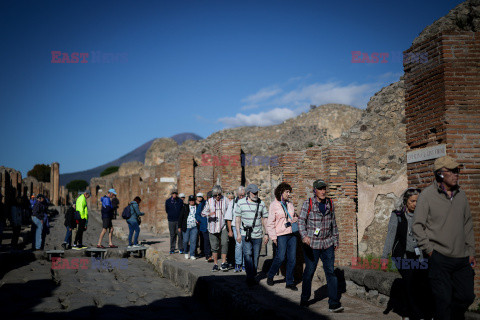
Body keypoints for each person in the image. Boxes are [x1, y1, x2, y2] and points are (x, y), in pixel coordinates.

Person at [412, 156, 475, 320]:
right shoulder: (427, 195)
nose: (457, 174)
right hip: (439, 257)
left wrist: (471, 251)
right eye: (453, 171)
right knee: (443, 301)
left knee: (467, 296)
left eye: (457, 171)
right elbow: (417, 225)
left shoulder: (461, 195)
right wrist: (430, 251)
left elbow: (467, 224)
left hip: (462, 258)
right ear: (440, 174)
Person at [382, 188, 432, 320]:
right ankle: (415, 314)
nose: (416, 204)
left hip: (419, 256)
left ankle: (414, 310)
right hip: (402, 256)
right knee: (409, 281)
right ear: (405, 201)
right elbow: (390, 237)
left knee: (422, 283)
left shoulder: (423, 215)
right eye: (412, 201)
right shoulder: (397, 216)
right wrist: (384, 257)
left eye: (418, 201)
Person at [298, 179, 343, 312]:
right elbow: (301, 221)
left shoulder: (330, 203)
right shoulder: (309, 203)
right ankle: (305, 298)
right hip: (312, 244)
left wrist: (336, 240)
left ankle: (334, 303)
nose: (323, 191)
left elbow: (333, 222)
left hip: (327, 243)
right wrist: (304, 236)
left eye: (324, 189)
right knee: (309, 272)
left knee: (330, 272)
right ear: (315, 190)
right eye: (320, 189)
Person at [235, 184, 269, 286]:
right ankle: (250, 277)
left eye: (257, 192)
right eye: (254, 193)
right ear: (248, 193)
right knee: (247, 254)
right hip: (245, 234)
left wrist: (266, 233)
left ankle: (252, 273)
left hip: (258, 235)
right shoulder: (240, 203)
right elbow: (237, 219)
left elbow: (265, 219)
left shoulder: (261, 203)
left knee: (256, 256)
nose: (256, 194)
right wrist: (238, 234)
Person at [266, 182, 298, 290]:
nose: (289, 194)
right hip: (281, 235)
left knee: (292, 259)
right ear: (281, 192)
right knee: (280, 257)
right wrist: (273, 237)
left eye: (289, 192)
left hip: (292, 234)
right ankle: (270, 276)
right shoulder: (274, 205)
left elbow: (291, 216)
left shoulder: (290, 204)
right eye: (287, 192)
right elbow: (270, 223)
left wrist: (294, 219)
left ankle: (289, 282)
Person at [202, 185, 230, 272]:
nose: (217, 196)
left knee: (225, 243)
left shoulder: (225, 200)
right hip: (212, 226)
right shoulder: (209, 201)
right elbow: (203, 213)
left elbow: (230, 209)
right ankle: (215, 264)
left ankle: (223, 263)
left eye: (219, 194)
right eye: (215, 195)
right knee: (214, 246)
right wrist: (209, 214)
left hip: (223, 226)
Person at [225, 186, 246, 272]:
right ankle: (238, 263)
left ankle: (245, 264)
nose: (241, 197)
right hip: (235, 226)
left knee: (246, 245)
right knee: (239, 244)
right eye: (240, 195)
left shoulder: (247, 202)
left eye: (243, 195)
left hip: (245, 227)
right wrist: (230, 230)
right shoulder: (233, 203)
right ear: (237, 194)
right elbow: (229, 218)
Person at [178, 195, 200, 259]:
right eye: (190, 200)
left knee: (193, 241)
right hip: (186, 227)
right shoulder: (185, 207)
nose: (192, 202)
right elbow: (180, 217)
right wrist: (179, 227)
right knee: (185, 240)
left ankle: (192, 254)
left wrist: (199, 221)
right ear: (189, 201)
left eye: (193, 200)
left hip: (194, 227)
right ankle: (186, 252)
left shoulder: (197, 207)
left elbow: (200, 215)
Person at [195, 193, 212, 262]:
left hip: (213, 226)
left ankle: (213, 254)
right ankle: (208, 255)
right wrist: (202, 220)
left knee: (213, 241)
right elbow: (197, 215)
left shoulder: (215, 204)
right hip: (204, 226)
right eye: (209, 197)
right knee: (206, 241)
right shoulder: (202, 204)